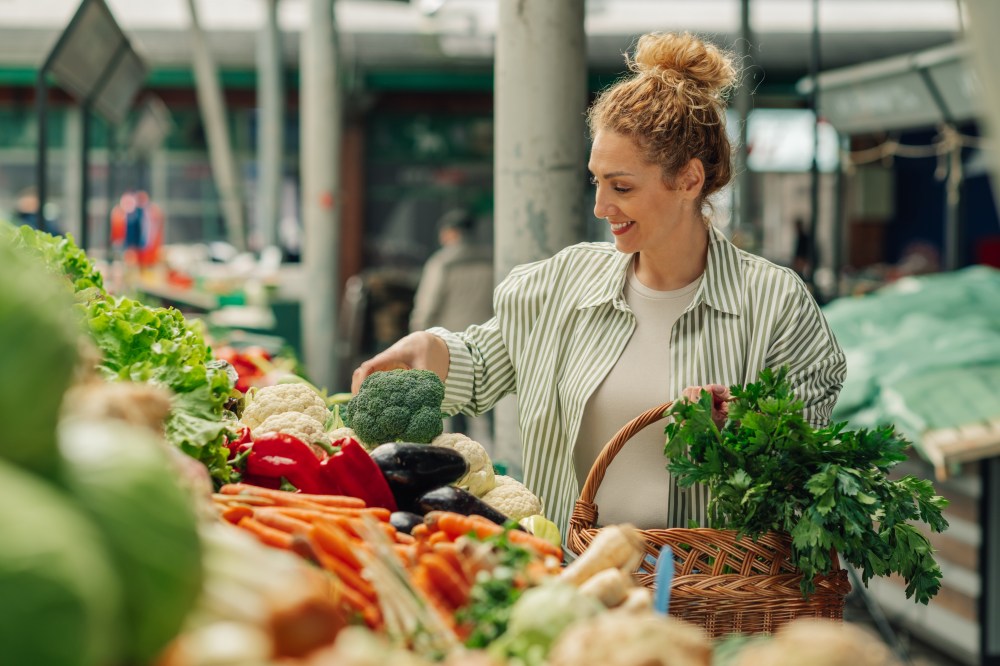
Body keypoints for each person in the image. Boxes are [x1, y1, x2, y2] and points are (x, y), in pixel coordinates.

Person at [352, 32, 846, 535]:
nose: (601, 207)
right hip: (573, 580)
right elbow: (481, 363)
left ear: (690, 180)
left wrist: (747, 427)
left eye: (622, 186)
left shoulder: (776, 305)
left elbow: (815, 464)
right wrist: (429, 349)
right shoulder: (561, 284)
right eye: (597, 180)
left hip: (710, 599)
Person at [409, 208, 495, 437]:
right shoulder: (492, 260)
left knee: (457, 405)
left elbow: (426, 306)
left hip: (451, 343)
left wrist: (417, 336)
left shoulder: (442, 263)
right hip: (487, 342)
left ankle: (465, 456)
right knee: (489, 401)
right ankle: (496, 451)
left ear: (451, 233)